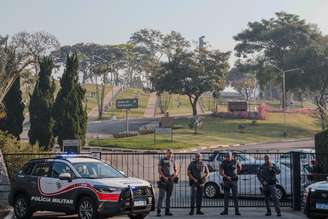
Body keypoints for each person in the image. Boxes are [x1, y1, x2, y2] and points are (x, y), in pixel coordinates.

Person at [157, 149, 179, 217]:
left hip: (171, 180)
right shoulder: (162, 160)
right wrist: (164, 177)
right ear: (166, 153)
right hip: (163, 180)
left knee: (168, 197)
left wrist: (174, 176)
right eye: (169, 153)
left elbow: (176, 169)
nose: (170, 154)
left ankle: (167, 211)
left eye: (171, 153)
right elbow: (159, 169)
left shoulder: (173, 160)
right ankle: (159, 211)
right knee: (161, 196)